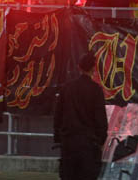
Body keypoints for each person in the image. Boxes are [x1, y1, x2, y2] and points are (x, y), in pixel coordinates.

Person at [54, 52, 108, 180]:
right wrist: (101, 140)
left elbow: (58, 115)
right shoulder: (96, 90)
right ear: (93, 68)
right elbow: (101, 119)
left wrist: (58, 138)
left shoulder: (66, 88)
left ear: (79, 67)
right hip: (88, 144)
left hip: (69, 142)